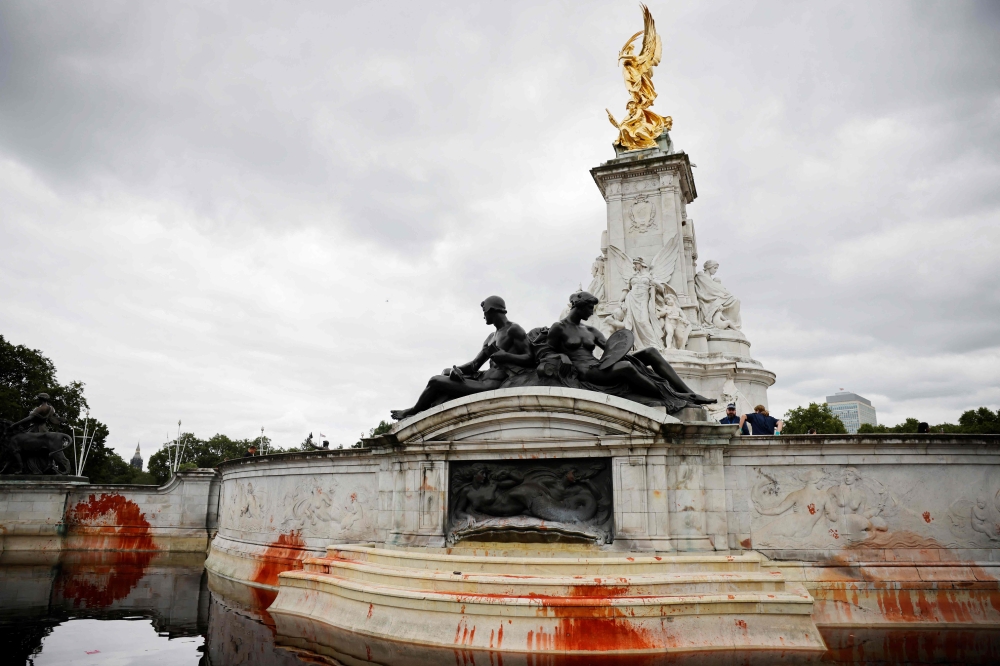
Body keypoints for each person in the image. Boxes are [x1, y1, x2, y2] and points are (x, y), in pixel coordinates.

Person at [544, 291, 714, 413]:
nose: (592, 312)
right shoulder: (559, 328)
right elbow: (545, 351)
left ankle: (689, 393)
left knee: (650, 352)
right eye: (590, 308)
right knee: (625, 366)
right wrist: (562, 355)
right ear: (580, 307)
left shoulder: (590, 331)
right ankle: (673, 395)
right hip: (586, 373)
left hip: (598, 365)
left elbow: (612, 348)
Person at [391, 296, 533, 420]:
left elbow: (530, 358)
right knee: (446, 372)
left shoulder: (513, 329)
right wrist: (456, 370)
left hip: (491, 384)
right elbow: (474, 365)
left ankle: (414, 411)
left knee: (435, 381)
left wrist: (506, 356)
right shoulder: (491, 337)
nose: (483, 317)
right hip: (483, 377)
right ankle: (429, 410)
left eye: (484, 313)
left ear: (491, 310)